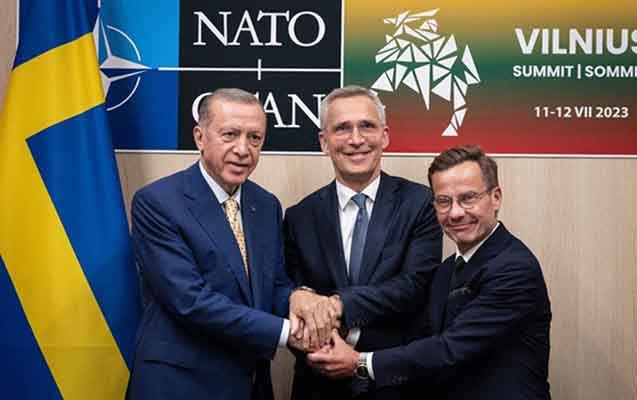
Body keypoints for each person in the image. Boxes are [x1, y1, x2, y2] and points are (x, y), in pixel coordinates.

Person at [126, 88, 330, 400]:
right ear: (200, 137)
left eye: (255, 138)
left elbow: (272, 284)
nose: (243, 149)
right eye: (230, 135)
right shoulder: (157, 202)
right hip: (180, 385)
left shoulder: (265, 205)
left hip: (250, 383)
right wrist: (289, 332)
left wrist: (299, 298)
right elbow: (190, 301)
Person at [309, 145, 552, 400]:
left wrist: (360, 363)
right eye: (444, 201)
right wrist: (346, 334)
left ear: (496, 197)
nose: (456, 213)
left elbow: (450, 348)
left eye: (468, 198)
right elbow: (417, 339)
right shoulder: (447, 270)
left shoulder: (514, 268)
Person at [283, 85, 443, 399]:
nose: (356, 139)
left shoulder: (421, 203)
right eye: (342, 128)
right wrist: (324, 344)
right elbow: (294, 298)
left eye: (366, 126)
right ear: (324, 142)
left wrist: (338, 305)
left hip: (395, 384)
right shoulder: (299, 216)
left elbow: (414, 286)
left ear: (385, 136)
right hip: (318, 385)